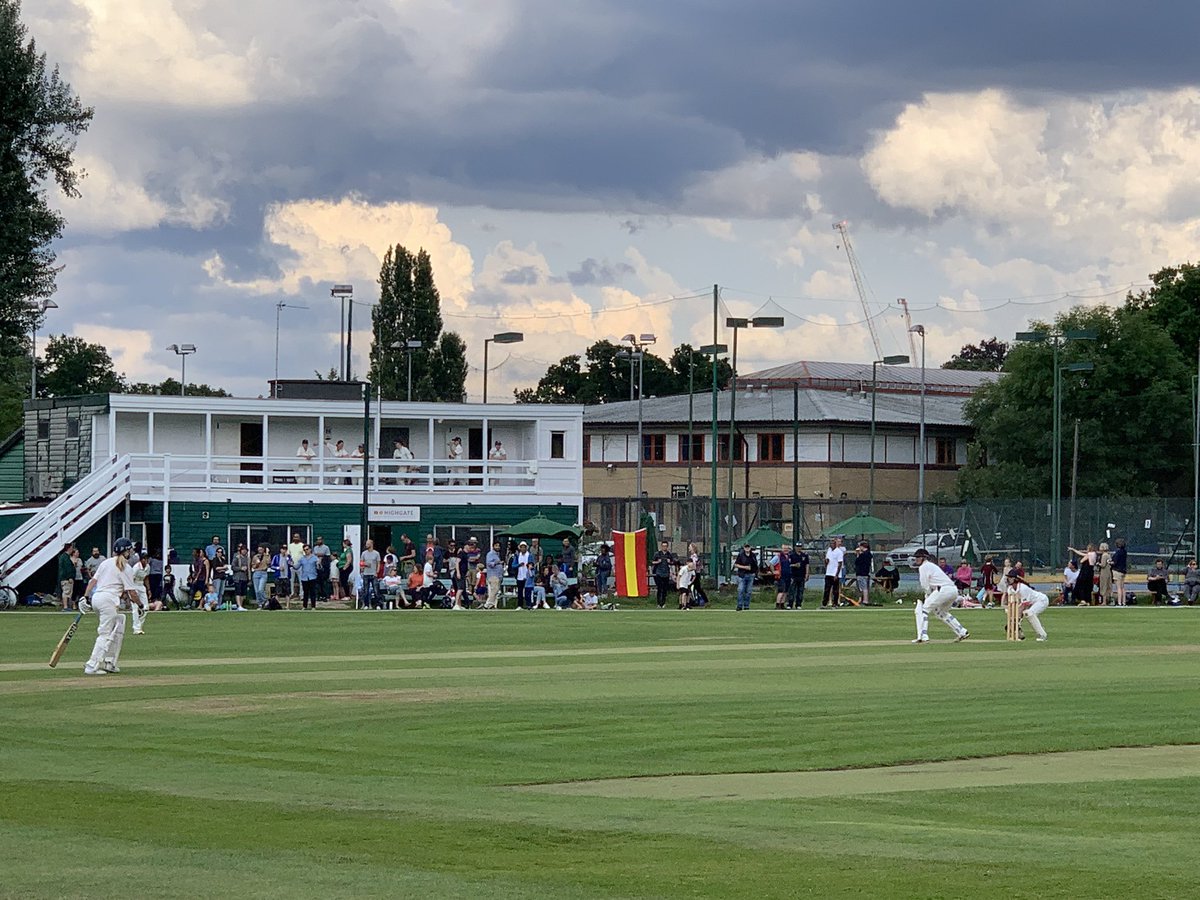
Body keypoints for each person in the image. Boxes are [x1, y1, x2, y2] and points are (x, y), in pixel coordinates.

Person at [79, 537, 139, 674]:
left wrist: (86, 597)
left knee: (120, 620)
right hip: (108, 601)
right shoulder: (126, 568)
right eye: (130, 550)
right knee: (105, 633)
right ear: (126, 552)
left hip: (97, 599)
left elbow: (92, 582)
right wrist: (141, 606)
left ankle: (109, 662)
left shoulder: (105, 563)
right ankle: (91, 665)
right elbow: (132, 593)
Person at [912, 547, 969, 643]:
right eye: (916, 557)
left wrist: (927, 595)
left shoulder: (923, 567)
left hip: (943, 590)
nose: (916, 559)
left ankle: (923, 635)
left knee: (924, 610)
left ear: (924, 558)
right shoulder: (932, 566)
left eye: (918, 557)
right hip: (953, 590)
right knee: (942, 613)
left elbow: (925, 585)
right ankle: (962, 631)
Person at [1007, 570, 1051, 642]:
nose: (1008, 579)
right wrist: (1012, 619)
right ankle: (1041, 630)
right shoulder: (1010, 589)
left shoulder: (1023, 588)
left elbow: (1024, 606)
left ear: (1015, 579)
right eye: (1008, 577)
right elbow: (1012, 604)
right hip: (1032, 603)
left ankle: (1043, 635)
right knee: (1028, 613)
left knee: (1029, 613)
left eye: (1010, 577)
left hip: (1041, 600)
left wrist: (1017, 620)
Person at [129, 550, 152, 634]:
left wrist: (149, 590)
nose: (146, 561)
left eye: (147, 559)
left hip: (141, 586)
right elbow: (130, 579)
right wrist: (131, 593)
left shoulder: (148, 567)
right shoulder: (136, 567)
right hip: (134, 586)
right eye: (144, 559)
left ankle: (140, 627)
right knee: (135, 608)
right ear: (141, 560)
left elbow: (146, 578)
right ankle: (136, 628)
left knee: (145, 608)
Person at [733, 542, 757, 611]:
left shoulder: (753, 555)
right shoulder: (741, 555)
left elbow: (755, 565)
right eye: (746, 547)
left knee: (748, 591)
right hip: (742, 575)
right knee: (740, 590)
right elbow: (736, 564)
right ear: (744, 548)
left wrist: (754, 572)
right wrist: (744, 567)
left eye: (748, 547)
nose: (747, 548)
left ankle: (746, 605)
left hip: (751, 575)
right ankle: (739, 605)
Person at [652, 540, 675, 609]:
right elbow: (652, 562)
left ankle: (663, 603)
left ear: (667, 547)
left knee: (665, 589)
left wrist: (670, 562)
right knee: (659, 588)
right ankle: (659, 603)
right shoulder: (657, 554)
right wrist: (658, 562)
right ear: (661, 546)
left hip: (666, 573)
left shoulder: (669, 554)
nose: (664, 547)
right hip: (659, 573)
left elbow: (673, 562)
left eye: (665, 546)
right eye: (663, 546)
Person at [359, 540, 382, 609]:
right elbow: (361, 563)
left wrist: (377, 572)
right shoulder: (363, 553)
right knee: (366, 590)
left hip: (373, 574)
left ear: (371, 544)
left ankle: (378, 605)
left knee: (376, 590)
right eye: (366, 544)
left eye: (368, 544)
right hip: (366, 574)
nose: (366, 545)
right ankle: (366, 605)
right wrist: (363, 565)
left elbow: (378, 563)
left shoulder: (376, 553)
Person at [822, 537, 844, 608]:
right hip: (828, 572)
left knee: (835, 590)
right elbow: (827, 561)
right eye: (830, 543)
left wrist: (836, 574)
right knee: (827, 589)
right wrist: (826, 562)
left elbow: (840, 564)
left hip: (835, 573)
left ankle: (835, 603)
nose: (831, 544)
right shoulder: (829, 550)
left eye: (833, 543)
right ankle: (824, 603)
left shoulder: (839, 552)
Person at [786, 542, 809, 609]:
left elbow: (807, 565)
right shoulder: (792, 555)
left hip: (801, 575)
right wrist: (794, 565)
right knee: (792, 590)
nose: (799, 548)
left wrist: (807, 574)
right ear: (795, 547)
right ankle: (790, 604)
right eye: (797, 547)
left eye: (800, 547)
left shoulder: (804, 555)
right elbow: (788, 565)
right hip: (794, 575)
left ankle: (798, 604)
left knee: (800, 591)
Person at [297, 543, 320, 609]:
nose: (306, 551)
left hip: (312, 577)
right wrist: (292, 564)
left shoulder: (315, 558)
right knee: (305, 593)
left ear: (310, 549)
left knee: (313, 592)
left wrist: (318, 564)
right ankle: (304, 606)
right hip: (304, 577)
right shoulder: (302, 559)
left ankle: (313, 606)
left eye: (307, 549)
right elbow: (297, 567)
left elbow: (319, 567)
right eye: (304, 550)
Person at [230, 543, 250, 610]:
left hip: (245, 578)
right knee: (238, 592)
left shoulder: (248, 559)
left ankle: (240, 605)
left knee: (243, 593)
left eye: (245, 550)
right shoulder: (237, 558)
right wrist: (240, 568)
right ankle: (239, 605)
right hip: (237, 577)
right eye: (243, 550)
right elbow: (233, 567)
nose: (244, 551)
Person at [853, 541, 873, 606]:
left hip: (861, 572)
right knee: (865, 587)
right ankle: (864, 599)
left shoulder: (863, 555)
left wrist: (858, 555)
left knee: (863, 587)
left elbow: (857, 562)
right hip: (866, 572)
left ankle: (865, 600)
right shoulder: (869, 554)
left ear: (862, 547)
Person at [252, 544, 271, 609]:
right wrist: (257, 564)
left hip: (263, 573)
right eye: (259, 549)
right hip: (256, 572)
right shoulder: (255, 557)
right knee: (257, 590)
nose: (260, 551)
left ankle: (266, 600)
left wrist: (267, 553)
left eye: (261, 549)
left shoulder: (267, 556)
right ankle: (260, 603)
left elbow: (269, 563)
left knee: (260, 589)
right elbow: (253, 567)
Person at [57, 542, 75, 610]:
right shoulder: (65, 557)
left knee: (68, 592)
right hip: (66, 578)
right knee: (66, 591)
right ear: (69, 548)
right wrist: (69, 577)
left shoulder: (64, 557)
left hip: (64, 577)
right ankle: (65, 606)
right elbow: (67, 568)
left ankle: (67, 606)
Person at [516, 541, 533, 608]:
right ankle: (520, 605)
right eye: (521, 547)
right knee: (520, 592)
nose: (523, 549)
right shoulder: (517, 556)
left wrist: (530, 566)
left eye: (524, 547)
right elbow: (513, 565)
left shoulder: (529, 555)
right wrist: (519, 565)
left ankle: (528, 605)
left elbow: (532, 564)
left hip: (527, 576)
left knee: (527, 592)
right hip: (519, 576)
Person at [1112, 537, 1128, 606]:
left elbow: (1114, 562)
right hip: (1123, 570)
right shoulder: (1124, 552)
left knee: (1118, 587)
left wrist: (1109, 562)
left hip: (1117, 570)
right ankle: (1124, 602)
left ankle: (1119, 602)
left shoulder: (1117, 552)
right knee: (1122, 587)